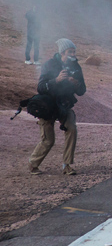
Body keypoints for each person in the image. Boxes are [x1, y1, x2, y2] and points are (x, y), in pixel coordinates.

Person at [28, 38, 87, 175]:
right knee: (49, 140)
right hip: (48, 106)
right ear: (62, 53)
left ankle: (66, 165)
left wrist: (76, 83)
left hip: (64, 105)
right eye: (69, 52)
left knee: (71, 129)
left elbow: (82, 91)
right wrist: (56, 80)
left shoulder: (76, 68)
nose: (73, 54)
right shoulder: (50, 65)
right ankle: (33, 163)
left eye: (74, 52)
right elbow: (41, 87)